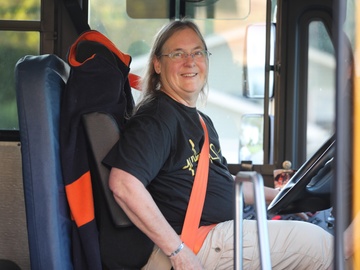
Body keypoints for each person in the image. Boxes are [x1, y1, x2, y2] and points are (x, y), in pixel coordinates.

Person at [104, 19, 333, 270]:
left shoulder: (201, 121)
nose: (190, 61)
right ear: (158, 64)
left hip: (219, 234)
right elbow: (124, 184)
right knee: (323, 246)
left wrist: (278, 198)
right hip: (198, 243)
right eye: (178, 53)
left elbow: (224, 184)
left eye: (197, 52)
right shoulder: (158, 118)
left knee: (312, 233)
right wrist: (179, 252)